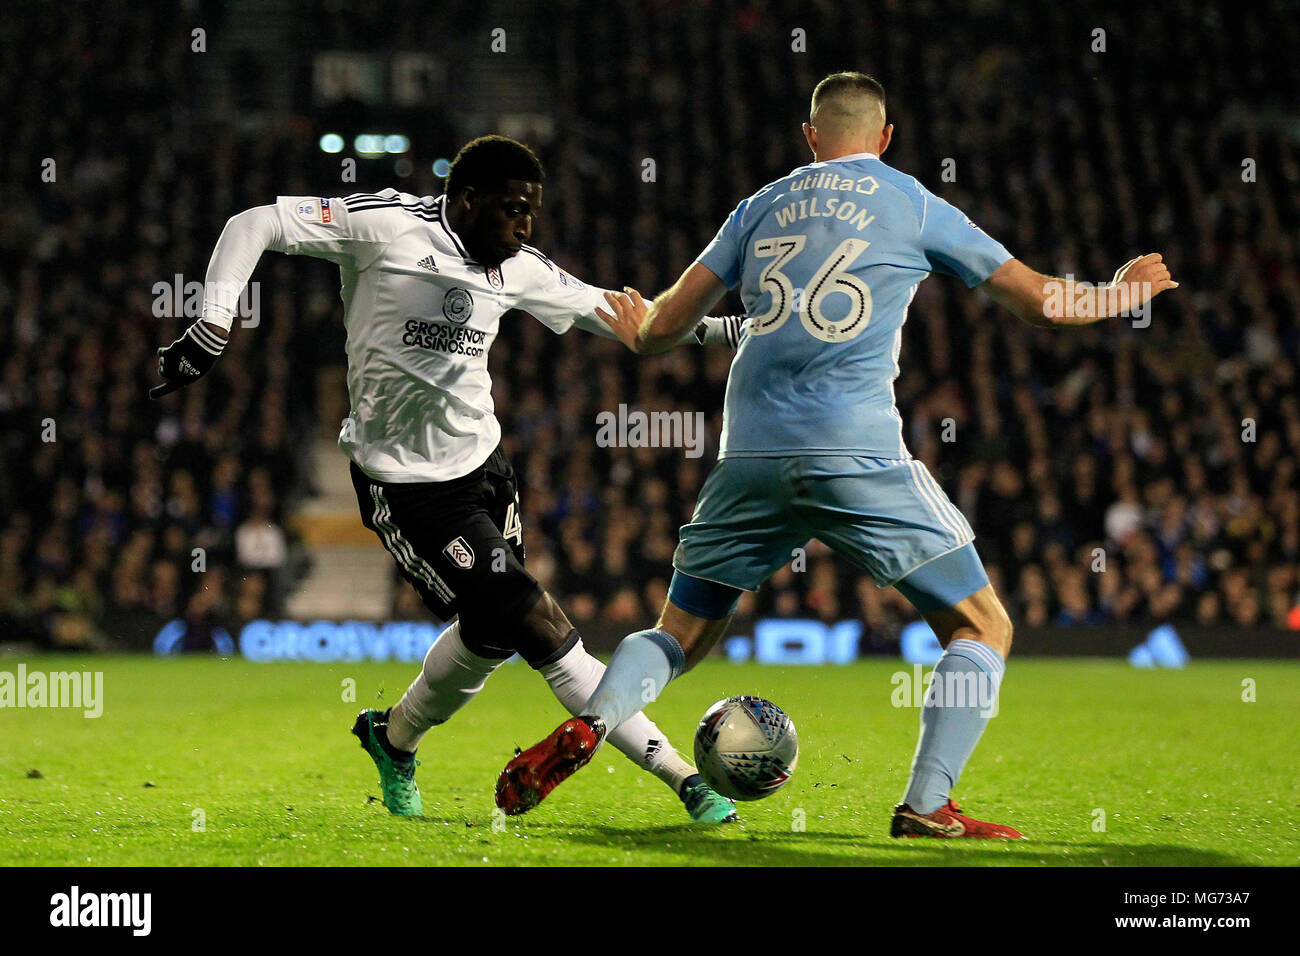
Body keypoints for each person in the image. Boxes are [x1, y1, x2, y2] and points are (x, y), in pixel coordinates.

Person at [496, 73, 1178, 837]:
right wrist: (1120, 293)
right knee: (981, 627)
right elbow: (1045, 301)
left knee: (679, 635)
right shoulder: (913, 201)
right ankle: (926, 806)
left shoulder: (758, 206)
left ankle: (592, 724)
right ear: (884, 139)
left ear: (810, 136)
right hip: (853, 451)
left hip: (748, 454)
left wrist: (640, 321)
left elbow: (659, 331)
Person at [152, 135, 744, 824]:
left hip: (486, 471)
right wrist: (213, 322)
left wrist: (736, 329)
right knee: (537, 620)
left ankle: (392, 738)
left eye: (533, 212)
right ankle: (684, 780)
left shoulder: (520, 267)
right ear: (467, 200)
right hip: (408, 490)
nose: (525, 226)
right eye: (513, 210)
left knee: (492, 635)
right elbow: (250, 223)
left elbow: (630, 320)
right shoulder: (385, 226)